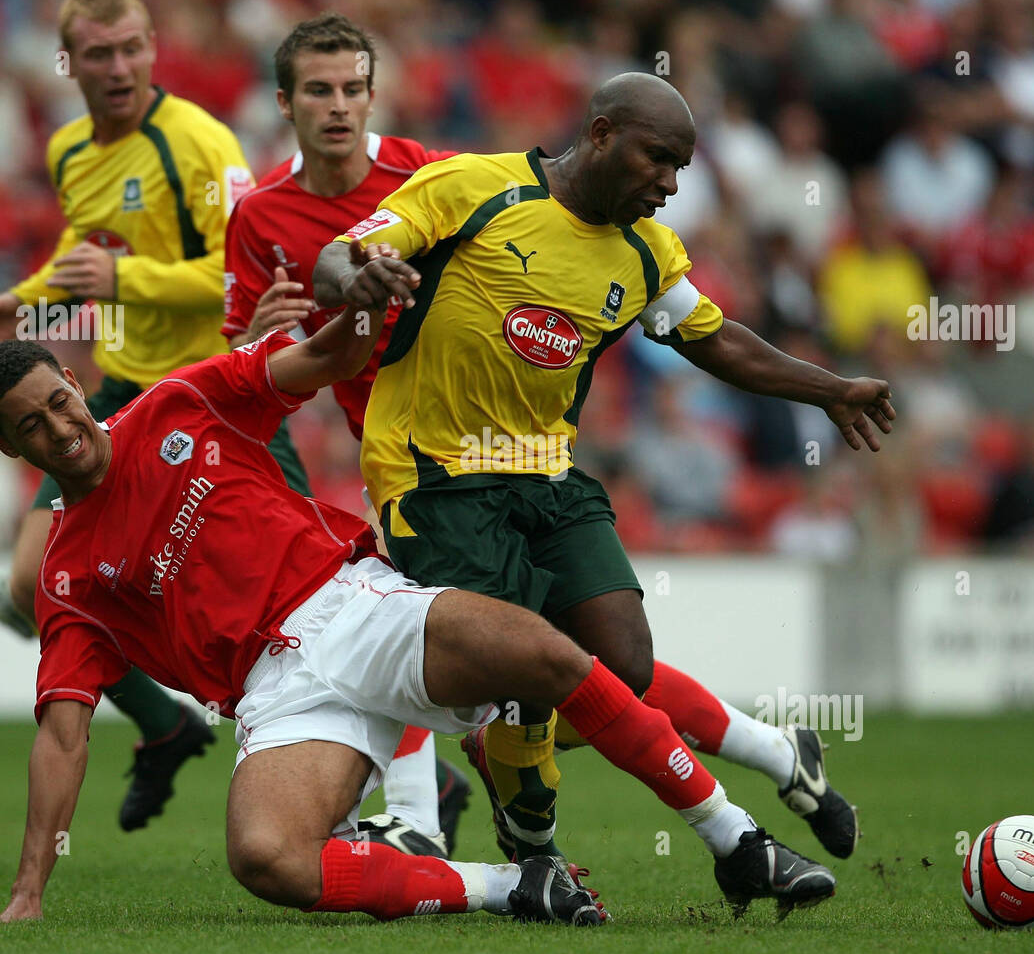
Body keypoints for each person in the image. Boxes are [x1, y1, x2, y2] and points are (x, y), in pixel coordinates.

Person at [0, 279, 837, 925]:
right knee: (265, 857)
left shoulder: (177, 401)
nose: (60, 428)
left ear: (77, 384)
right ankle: (509, 885)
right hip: (278, 693)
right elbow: (63, 733)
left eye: (60, 401)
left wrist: (357, 302)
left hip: (355, 605)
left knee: (549, 655)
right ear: (7, 446)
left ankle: (737, 839)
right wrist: (27, 891)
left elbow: (323, 359)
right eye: (32, 426)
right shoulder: (66, 576)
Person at [312, 73, 895, 866]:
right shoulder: (475, 186)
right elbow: (339, 257)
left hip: (546, 477)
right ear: (598, 134)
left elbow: (715, 340)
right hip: (437, 476)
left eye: (681, 168)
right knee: (507, 672)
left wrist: (831, 389)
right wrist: (362, 273)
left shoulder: (646, 253)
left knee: (621, 663)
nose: (670, 182)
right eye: (658, 158)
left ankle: (503, 771)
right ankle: (514, 830)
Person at [0, 0, 286, 831]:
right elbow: (81, 248)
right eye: (99, 53)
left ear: (154, 45)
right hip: (117, 399)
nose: (119, 66)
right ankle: (165, 723)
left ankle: (414, 786)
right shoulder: (69, 149)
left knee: (276, 602)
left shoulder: (199, 143)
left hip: (207, 402)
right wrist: (21, 298)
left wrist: (125, 280)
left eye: (131, 47)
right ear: (70, 62)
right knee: (34, 582)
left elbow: (248, 271)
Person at [221, 13, 467, 856]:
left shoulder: (427, 175)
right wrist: (256, 333)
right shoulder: (259, 215)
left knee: (558, 649)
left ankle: (422, 809)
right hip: (394, 451)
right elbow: (247, 366)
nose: (338, 106)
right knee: (416, 617)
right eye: (318, 91)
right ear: (284, 102)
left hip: (489, 432)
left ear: (372, 95)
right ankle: (420, 815)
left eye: (352, 89)